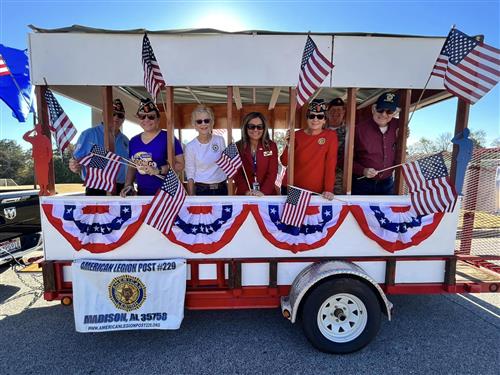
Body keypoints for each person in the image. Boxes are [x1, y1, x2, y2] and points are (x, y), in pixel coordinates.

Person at [120, 98, 184, 196]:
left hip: (166, 194)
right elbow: (132, 166)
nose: (146, 120)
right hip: (142, 193)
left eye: (151, 117)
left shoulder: (168, 138)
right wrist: (128, 184)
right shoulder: (134, 141)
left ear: (158, 119)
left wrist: (158, 170)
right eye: (142, 116)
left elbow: (180, 165)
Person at [69, 99, 129, 196]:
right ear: (103, 115)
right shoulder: (88, 135)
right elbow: (76, 161)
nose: (116, 118)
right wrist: (74, 165)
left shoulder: (126, 141)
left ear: (123, 119)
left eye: (120, 115)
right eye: (112, 114)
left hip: (120, 189)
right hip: (96, 186)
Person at [280, 99, 338, 200]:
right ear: (307, 118)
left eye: (320, 116)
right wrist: (288, 144)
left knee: (314, 215)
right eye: (312, 116)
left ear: (324, 120)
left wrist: (328, 189)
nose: (315, 119)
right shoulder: (296, 135)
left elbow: (330, 164)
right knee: (293, 215)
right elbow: (284, 162)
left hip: (316, 191)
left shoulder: (330, 136)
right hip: (293, 188)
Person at [352, 92, 400, 195]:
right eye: (380, 109)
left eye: (389, 111)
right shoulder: (358, 130)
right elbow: (344, 159)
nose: (383, 114)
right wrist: (363, 170)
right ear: (374, 109)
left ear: (394, 112)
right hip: (362, 184)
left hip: (387, 184)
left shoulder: (399, 125)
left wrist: (405, 133)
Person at [184, 105, 227, 196]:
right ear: (194, 125)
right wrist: (192, 197)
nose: (203, 124)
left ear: (212, 123)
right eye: (199, 121)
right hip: (202, 190)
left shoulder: (220, 140)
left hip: (222, 188)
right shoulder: (190, 146)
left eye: (207, 121)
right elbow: (190, 174)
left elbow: (227, 165)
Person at [234, 112, 278, 196]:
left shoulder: (271, 146)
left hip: (266, 194)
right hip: (245, 194)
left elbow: (272, 172)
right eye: (251, 126)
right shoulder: (237, 146)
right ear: (245, 128)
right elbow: (237, 173)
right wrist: (246, 191)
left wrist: (263, 192)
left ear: (264, 128)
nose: (255, 130)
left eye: (259, 127)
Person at [23, 123, 53, 196]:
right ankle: (41, 189)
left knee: (45, 174)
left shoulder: (45, 138)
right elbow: (25, 137)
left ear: (41, 129)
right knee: (39, 175)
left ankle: (45, 189)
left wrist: (49, 158)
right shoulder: (34, 138)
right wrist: (32, 130)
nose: (38, 130)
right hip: (37, 160)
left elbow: (49, 149)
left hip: (44, 159)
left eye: (39, 128)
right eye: (37, 128)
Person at [327, 97, 347, 195]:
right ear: (327, 113)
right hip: (316, 179)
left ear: (344, 112)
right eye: (333, 110)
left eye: (339, 110)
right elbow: (284, 160)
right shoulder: (318, 131)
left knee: (336, 208)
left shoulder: (351, 133)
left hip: (340, 181)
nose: (336, 113)